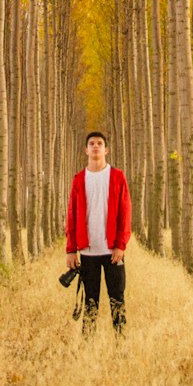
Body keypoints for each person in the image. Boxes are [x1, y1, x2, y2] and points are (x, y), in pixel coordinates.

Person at [65, 131, 131, 336]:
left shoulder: (117, 177)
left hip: (112, 251)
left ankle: (121, 341)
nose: (95, 147)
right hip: (87, 251)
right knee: (90, 301)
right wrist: (71, 249)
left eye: (99, 143)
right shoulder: (79, 179)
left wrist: (121, 245)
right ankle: (88, 346)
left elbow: (125, 212)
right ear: (86, 150)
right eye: (91, 143)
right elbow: (72, 215)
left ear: (106, 150)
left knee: (117, 299)